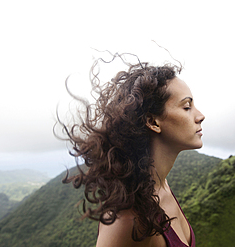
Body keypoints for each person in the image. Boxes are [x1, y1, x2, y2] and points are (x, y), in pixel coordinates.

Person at [61, 54, 205, 247]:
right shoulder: (126, 219)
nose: (200, 116)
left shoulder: (161, 186)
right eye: (187, 107)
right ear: (153, 122)